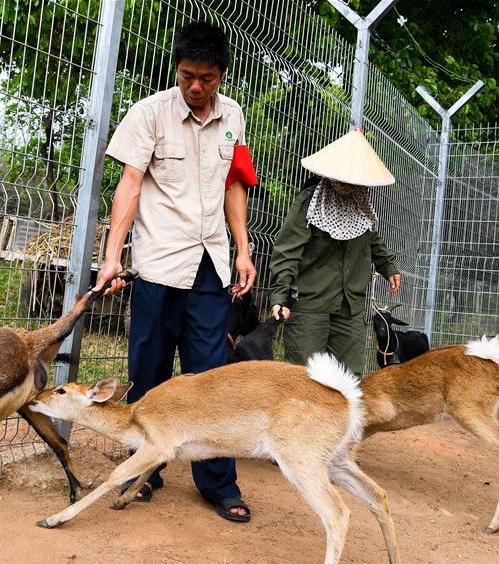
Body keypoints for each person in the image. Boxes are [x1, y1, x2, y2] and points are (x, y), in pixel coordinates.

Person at [93, 21, 257, 522]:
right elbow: (130, 185)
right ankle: (146, 470)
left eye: (206, 78)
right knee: (150, 368)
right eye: (187, 75)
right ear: (177, 70)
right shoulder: (149, 114)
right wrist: (112, 254)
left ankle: (217, 482)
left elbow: (234, 186)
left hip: (211, 264)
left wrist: (244, 250)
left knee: (211, 379)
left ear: (222, 75)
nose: (195, 87)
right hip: (160, 262)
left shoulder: (234, 117)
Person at [268, 129, 401, 376]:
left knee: (350, 380)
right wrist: (279, 296)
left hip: (350, 307)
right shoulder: (311, 202)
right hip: (310, 304)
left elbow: (370, 236)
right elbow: (287, 251)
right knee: (304, 378)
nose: (346, 183)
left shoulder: (362, 205)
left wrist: (388, 266)